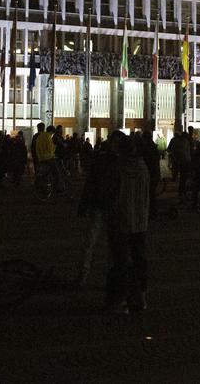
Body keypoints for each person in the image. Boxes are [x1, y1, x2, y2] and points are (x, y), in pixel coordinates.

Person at [105, 132, 150, 313]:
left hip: (121, 221)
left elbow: (111, 194)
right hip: (140, 222)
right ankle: (140, 297)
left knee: (120, 262)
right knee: (139, 259)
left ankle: (118, 300)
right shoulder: (143, 167)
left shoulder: (118, 168)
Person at [76, 137, 117, 287]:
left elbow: (90, 184)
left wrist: (83, 204)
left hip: (99, 205)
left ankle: (83, 274)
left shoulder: (99, 162)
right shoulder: (119, 164)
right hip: (110, 206)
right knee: (111, 245)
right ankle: (111, 279)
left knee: (90, 242)